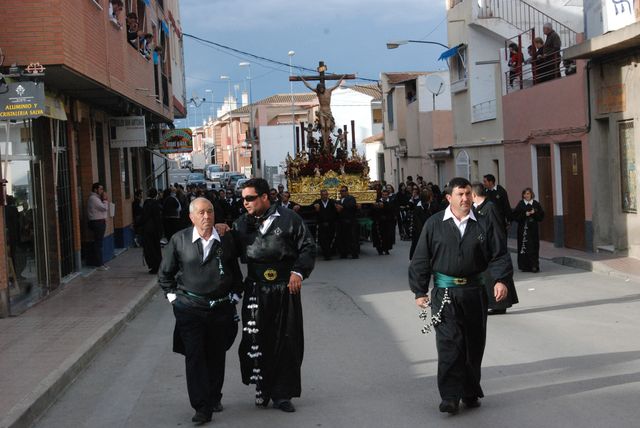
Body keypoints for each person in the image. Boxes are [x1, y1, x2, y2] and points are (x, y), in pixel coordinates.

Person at [409, 177, 512, 414]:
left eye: (467, 194)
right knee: (449, 344)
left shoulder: (484, 223)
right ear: (449, 198)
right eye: (460, 195)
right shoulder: (435, 224)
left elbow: (499, 254)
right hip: (445, 293)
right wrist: (419, 290)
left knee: (473, 344)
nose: (465, 199)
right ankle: (450, 396)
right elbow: (421, 258)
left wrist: (500, 279)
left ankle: (469, 390)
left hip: (475, 292)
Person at [231, 178, 316, 412]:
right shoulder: (240, 225)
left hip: (285, 288)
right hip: (256, 288)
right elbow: (227, 253)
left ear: (265, 197)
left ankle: (282, 393)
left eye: (250, 198)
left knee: (286, 338)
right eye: (243, 199)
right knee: (256, 338)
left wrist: (298, 272)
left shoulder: (290, 219)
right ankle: (262, 387)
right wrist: (220, 230)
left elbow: (308, 246)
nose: (245, 203)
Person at [158, 197, 243, 425]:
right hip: (190, 310)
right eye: (201, 213)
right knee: (194, 357)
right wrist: (174, 299)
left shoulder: (225, 239)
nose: (207, 216)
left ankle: (214, 396)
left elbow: (236, 273)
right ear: (191, 217)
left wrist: (235, 296)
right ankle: (201, 407)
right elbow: (165, 275)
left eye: (210, 212)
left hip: (220, 309)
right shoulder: (179, 240)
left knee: (216, 355)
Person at [471, 182, 519, 314]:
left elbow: (496, 228)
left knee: (496, 275)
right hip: (484, 246)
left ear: (474, 194)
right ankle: (494, 303)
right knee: (488, 277)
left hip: (493, 245)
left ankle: (499, 304)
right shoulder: (478, 207)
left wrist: (497, 244)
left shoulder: (490, 207)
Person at [300, 75, 345, 152]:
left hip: (328, 112)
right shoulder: (318, 93)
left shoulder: (329, 91)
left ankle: (326, 143)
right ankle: (324, 144)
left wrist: (342, 78)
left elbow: (337, 84)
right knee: (323, 126)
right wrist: (303, 80)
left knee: (327, 126)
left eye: (321, 88)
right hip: (321, 111)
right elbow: (309, 86)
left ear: (323, 87)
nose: (321, 90)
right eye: (319, 89)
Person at [512, 187, 545, 273]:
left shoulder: (536, 204)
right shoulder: (521, 204)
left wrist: (535, 213)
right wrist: (525, 214)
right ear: (523, 195)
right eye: (525, 194)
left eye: (528, 194)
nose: (527, 195)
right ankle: (524, 266)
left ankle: (534, 265)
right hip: (523, 230)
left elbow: (541, 217)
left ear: (531, 194)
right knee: (524, 247)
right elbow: (515, 216)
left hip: (533, 229)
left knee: (534, 246)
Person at [409, 188, 438, 260]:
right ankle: (413, 259)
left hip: (430, 230)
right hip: (420, 231)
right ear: (428, 198)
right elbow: (417, 222)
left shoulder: (432, 206)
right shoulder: (418, 208)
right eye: (431, 197)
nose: (432, 198)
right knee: (416, 245)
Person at [87, 182, 110, 270]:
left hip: (100, 222)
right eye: (100, 189)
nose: (102, 191)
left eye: (102, 189)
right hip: (97, 223)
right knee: (98, 243)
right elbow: (104, 208)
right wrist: (105, 200)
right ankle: (99, 264)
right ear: (95, 189)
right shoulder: (93, 198)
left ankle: (101, 263)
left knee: (99, 243)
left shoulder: (96, 198)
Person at [141, 188, 163, 274]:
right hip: (156, 230)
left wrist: (137, 224)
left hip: (149, 230)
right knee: (156, 248)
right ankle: (158, 265)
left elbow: (144, 217)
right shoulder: (157, 204)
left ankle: (154, 266)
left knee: (150, 248)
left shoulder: (147, 203)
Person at [335, 185, 359, 259]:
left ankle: (354, 254)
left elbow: (352, 206)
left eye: (344, 191)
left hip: (350, 221)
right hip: (341, 222)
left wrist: (343, 207)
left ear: (347, 191)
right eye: (341, 191)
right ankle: (343, 253)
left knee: (352, 238)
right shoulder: (339, 200)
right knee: (342, 238)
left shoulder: (351, 198)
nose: (343, 192)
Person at [313, 189, 338, 260]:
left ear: (328, 195)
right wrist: (316, 210)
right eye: (323, 195)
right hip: (322, 224)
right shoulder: (317, 202)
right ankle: (327, 254)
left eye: (325, 195)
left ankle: (328, 251)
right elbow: (311, 209)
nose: (324, 196)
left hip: (330, 224)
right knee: (323, 239)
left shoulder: (332, 202)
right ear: (320, 195)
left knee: (330, 238)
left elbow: (336, 212)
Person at [372, 189, 395, 255]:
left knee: (387, 236)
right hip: (379, 222)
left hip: (388, 222)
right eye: (383, 195)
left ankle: (386, 249)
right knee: (379, 236)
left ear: (388, 195)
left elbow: (392, 211)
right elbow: (374, 211)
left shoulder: (391, 202)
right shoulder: (378, 201)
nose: (384, 196)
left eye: (386, 195)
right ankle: (380, 249)